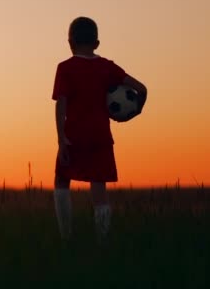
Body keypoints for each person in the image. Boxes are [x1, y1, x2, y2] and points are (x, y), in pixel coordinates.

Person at [52, 17, 147, 242]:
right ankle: (102, 242)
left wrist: (61, 138)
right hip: (100, 138)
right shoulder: (107, 67)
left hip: (73, 136)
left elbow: (61, 104)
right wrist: (135, 111)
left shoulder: (65, 68)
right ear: (97, 43)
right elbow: (142, 89)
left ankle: (65, 237)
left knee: (61, 181)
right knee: (99, 191)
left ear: (70, 42)